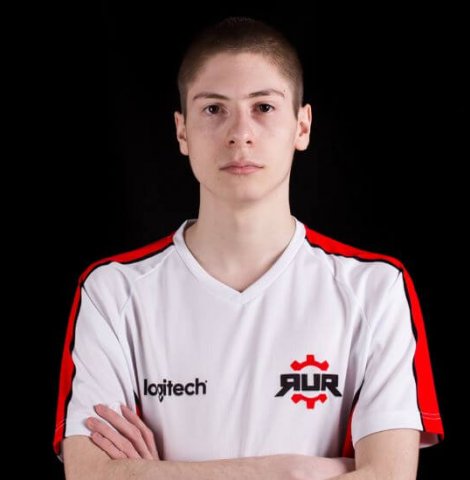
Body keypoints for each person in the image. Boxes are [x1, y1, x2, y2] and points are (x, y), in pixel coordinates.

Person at [54, 16, 443, 479]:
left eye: (263, 107)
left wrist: (159, 474)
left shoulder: (375, 289)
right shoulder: (112, 292)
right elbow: (90, 473)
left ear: (302, 126)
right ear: (182, 131)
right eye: (213, 109)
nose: (240, 133)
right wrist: (295, 471)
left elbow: (389, 476)